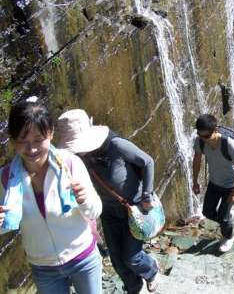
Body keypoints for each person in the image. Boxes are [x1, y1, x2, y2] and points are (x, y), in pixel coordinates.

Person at [0, 98, 103, 294]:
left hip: (83, 258)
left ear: (51, 134)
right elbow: (5, 226)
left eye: (39, 140)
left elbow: (95, 210)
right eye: (23, 141)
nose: (32, 149)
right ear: (13, 141)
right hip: (43, 268)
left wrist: (84, 200)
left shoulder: (70, 164)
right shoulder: (5, 179)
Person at [57, 109, 159, 294]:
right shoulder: (77, 158)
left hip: (133, 209)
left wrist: (147, 196)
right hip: (108, 212)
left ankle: (151, 270)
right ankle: (134, 288)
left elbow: (148, 162)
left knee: (132, 257)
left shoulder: (116, 145)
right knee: (117, 261)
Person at [192, 114, 234, 253]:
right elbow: (197, 160)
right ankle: (226, 218)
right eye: (200, 134)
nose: (204, 139)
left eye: (206, 136)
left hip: (230, 186)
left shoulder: (228, 143)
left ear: (215, 130)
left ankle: (229, 236)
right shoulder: (200, 141)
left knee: (223, 218)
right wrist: (195, 181)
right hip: (214, 183)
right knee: (207, 212)